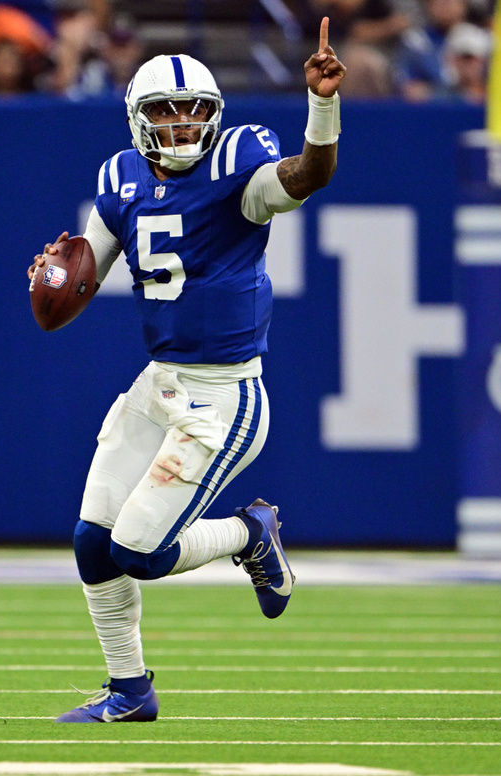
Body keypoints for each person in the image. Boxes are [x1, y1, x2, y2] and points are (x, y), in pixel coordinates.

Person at [26, 19, 345, 724]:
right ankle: (129, 691)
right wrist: (54, 277)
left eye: (194, 108)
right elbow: (78, 282)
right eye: (166, 111)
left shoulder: (239, 165)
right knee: (92, 542)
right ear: (139, 122)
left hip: (223, 395)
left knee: (138, 550)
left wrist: (322, 107)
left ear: (215, 115)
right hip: (159, 383)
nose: (181, 123)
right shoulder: (118, 179)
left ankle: (250, 531)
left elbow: (306, 175)